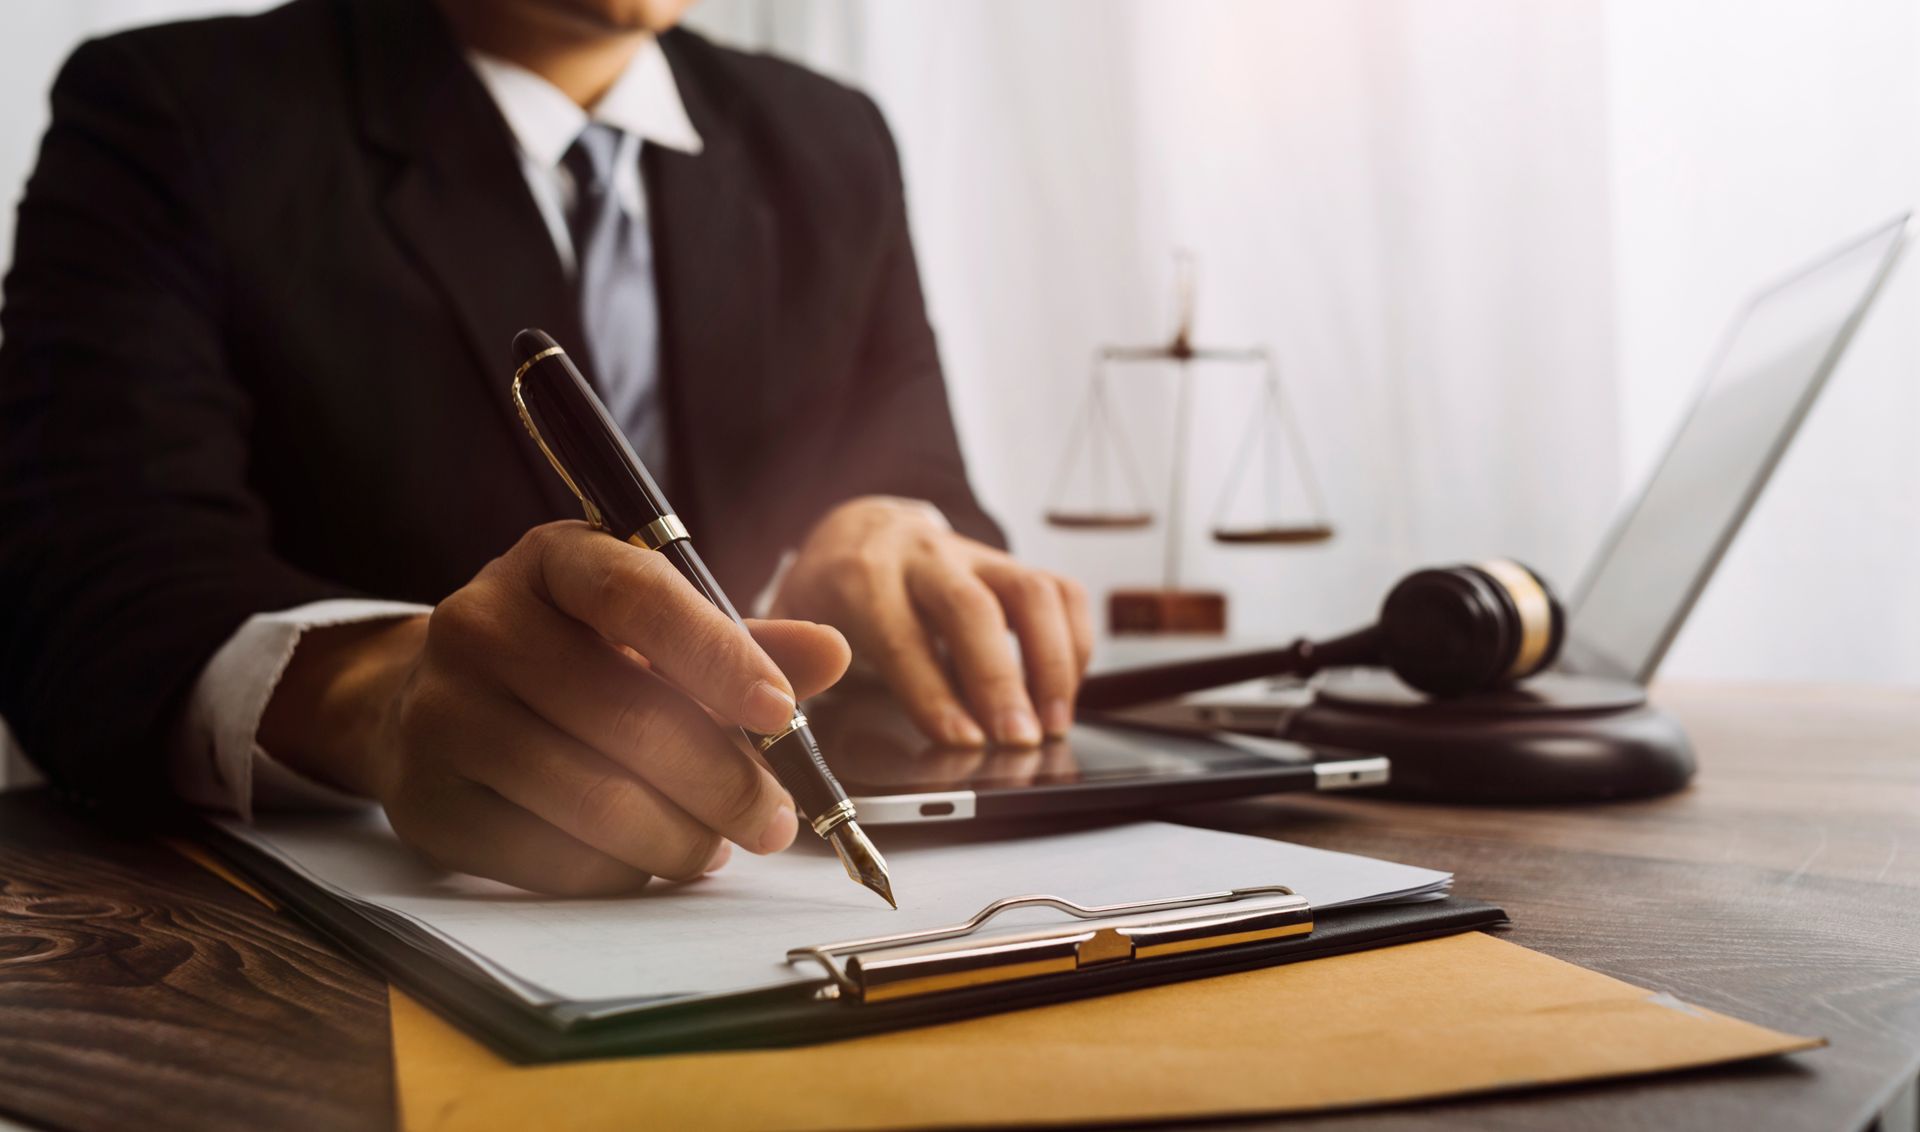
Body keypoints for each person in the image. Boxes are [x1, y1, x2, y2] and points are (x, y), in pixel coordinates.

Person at [0, 0, 1092, 895]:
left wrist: (891, 525)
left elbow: (917, 464)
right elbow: (90, 592)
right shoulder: (174, 110)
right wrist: (381, 695)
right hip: (329, 943)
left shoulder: (830, 136)